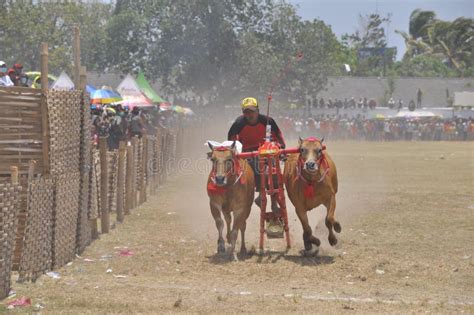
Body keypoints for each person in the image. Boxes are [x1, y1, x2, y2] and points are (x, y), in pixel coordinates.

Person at [228, 97, 286, 237]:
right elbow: (231, 139)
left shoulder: (268, 121)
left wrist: (281, 148)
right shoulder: (238, 123)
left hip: (267, 151)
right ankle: (257, 196)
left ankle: (272, 203)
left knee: (274, 173)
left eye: (252, 111)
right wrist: (236, 151)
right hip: (248, 154)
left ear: (258, 110)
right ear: (243, 112)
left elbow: (278, 136)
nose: (249, 115)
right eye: (246, 112)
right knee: (255, 169)